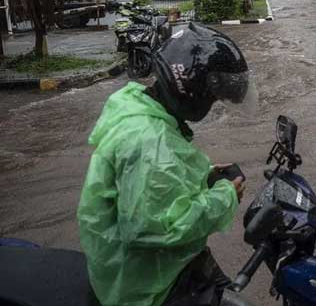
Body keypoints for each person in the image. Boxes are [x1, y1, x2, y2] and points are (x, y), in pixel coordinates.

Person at [77, 23, 252, 306]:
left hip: (147, 267)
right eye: (213, 97)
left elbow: (152, 184)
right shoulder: (149, 144)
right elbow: (156, 229)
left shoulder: (137, 107)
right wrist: (224, 197)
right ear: (193, 92)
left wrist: (203, 177)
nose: (211, 105)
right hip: (144, 288)